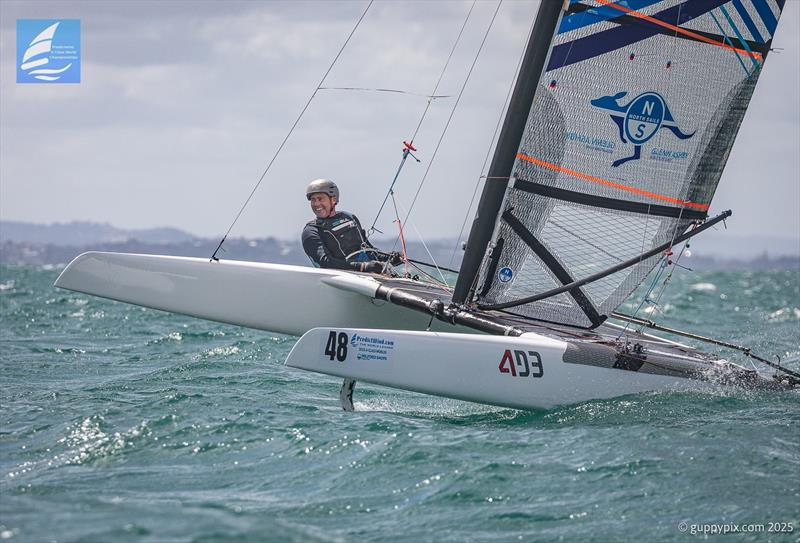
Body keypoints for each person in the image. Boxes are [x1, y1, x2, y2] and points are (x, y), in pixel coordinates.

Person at [301, 179, 401, 273]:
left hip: (369, 276)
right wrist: (363, 267)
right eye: (313, 200)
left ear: (333, 200)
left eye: (320, 199)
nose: (316, 204)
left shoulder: (349, 217)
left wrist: (389, 258)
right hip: (343, 278)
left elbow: (368, 250)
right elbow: (325, 262)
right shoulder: (311, 231)